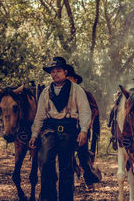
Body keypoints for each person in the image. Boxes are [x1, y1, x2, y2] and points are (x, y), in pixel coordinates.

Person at [28, 57, 91, 201]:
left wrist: (83, 130)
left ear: (65, 72)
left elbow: (85, 111)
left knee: (66, 168)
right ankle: (47, 198)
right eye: (52, 72)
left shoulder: (76, 90)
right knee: (44, 162)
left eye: (58, 71)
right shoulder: (46, 92)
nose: (55, 74)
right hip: (49, 130)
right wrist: (34, 134)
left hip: (69, 130)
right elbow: (39, 116)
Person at [65, 65, 101, 188]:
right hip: (67, 128)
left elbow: (94, 109)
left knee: (82, 153)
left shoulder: (85, 93)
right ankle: (73, 176)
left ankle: (88, 178)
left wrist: (88, 123)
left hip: (82, 128)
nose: (69, 81)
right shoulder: (61, 94)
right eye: (67, 78)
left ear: (75, 80)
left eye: (71, 78)